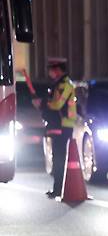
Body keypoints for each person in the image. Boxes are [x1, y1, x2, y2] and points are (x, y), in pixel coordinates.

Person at [34, 57, 76, 199]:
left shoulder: (65, 85)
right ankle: (57, 188)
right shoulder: (58, 84)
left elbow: (58, 104)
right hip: (59, 124)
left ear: (58, 70)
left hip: (64, 125)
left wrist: (44, 104)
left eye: (51, 69)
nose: (49, 73)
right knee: (57, 157)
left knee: (60, 158)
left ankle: (59, 189)